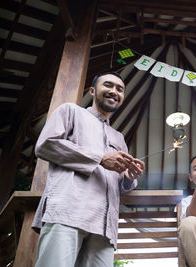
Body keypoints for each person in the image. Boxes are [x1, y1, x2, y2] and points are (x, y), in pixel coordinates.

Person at [32, 71, 145, 267]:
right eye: (108, 85)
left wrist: (128, 176)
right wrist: (100, 158)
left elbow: (119, 183)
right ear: (92, 90)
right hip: (68, 212)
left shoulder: (119, 137)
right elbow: (46, 145)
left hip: (105, 227)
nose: (114, 91)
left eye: (120, 89)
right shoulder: (70, 111)